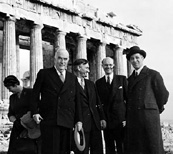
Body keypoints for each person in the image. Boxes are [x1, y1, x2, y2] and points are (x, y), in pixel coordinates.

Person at [31, 48, 83, 154]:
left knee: (65, 151)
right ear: (54, 59)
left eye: (65, 59)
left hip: (67, 120)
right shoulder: (44, 73)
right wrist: (35, 112)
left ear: (68, 60)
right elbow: (34, 95)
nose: (62, 62)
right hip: (50, 120)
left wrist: (79, 120)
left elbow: (77, 100)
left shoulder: (72, 77)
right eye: (59, 58)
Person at [125, 46, 169, 154]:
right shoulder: (130, 79)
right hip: (134, 120)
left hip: (149, 119)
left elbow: (163, 94)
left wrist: (153, 109)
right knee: (138, 148)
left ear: (143, 58)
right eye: (132, 59)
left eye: (137, 57)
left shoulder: (153, 74)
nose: (135, 61)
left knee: (153, 147)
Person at [73, 59, 106, 154]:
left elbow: (98, 101)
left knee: (98, 150)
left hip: (95, 123)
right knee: (82, 151)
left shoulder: (91, 84)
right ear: (79, 68)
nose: (88, 70)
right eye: (86, 68)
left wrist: (102, 118)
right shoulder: (70, 84)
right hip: (81, 124)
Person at [95, 57, 127, 154]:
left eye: (110, 65)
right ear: (102, 66)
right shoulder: (98, 83)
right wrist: (101, 118)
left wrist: (126, 118)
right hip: (107, 121)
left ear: (113, 65)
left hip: (120, 120)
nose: (108, 67)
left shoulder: (122, 79)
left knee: (122, 147)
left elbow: (128, 99)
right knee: (109, 148)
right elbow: (98, 103)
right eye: (106, 65)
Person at [3, 75, 40, 154]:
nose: (9, 91)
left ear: (15, 85)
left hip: (30, 127)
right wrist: (15, 121)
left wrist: (25, 123)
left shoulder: (31, 92)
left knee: (30, 150)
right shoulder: (12, 97)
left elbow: (37, 109)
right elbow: (10, 113)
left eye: (10, 88)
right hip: (17, 128)